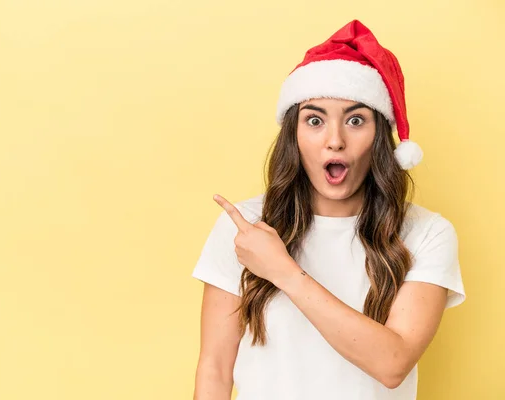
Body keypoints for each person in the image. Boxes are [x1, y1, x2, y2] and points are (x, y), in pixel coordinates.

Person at [191, 20, 466, 400]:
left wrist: (284, 272)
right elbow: (215, 369)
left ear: (380, 139)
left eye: (355, 120)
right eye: (315, 120)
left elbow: (392, 364)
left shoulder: (426, 233)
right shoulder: (245, 229)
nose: (335, 141)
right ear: (294, 135)